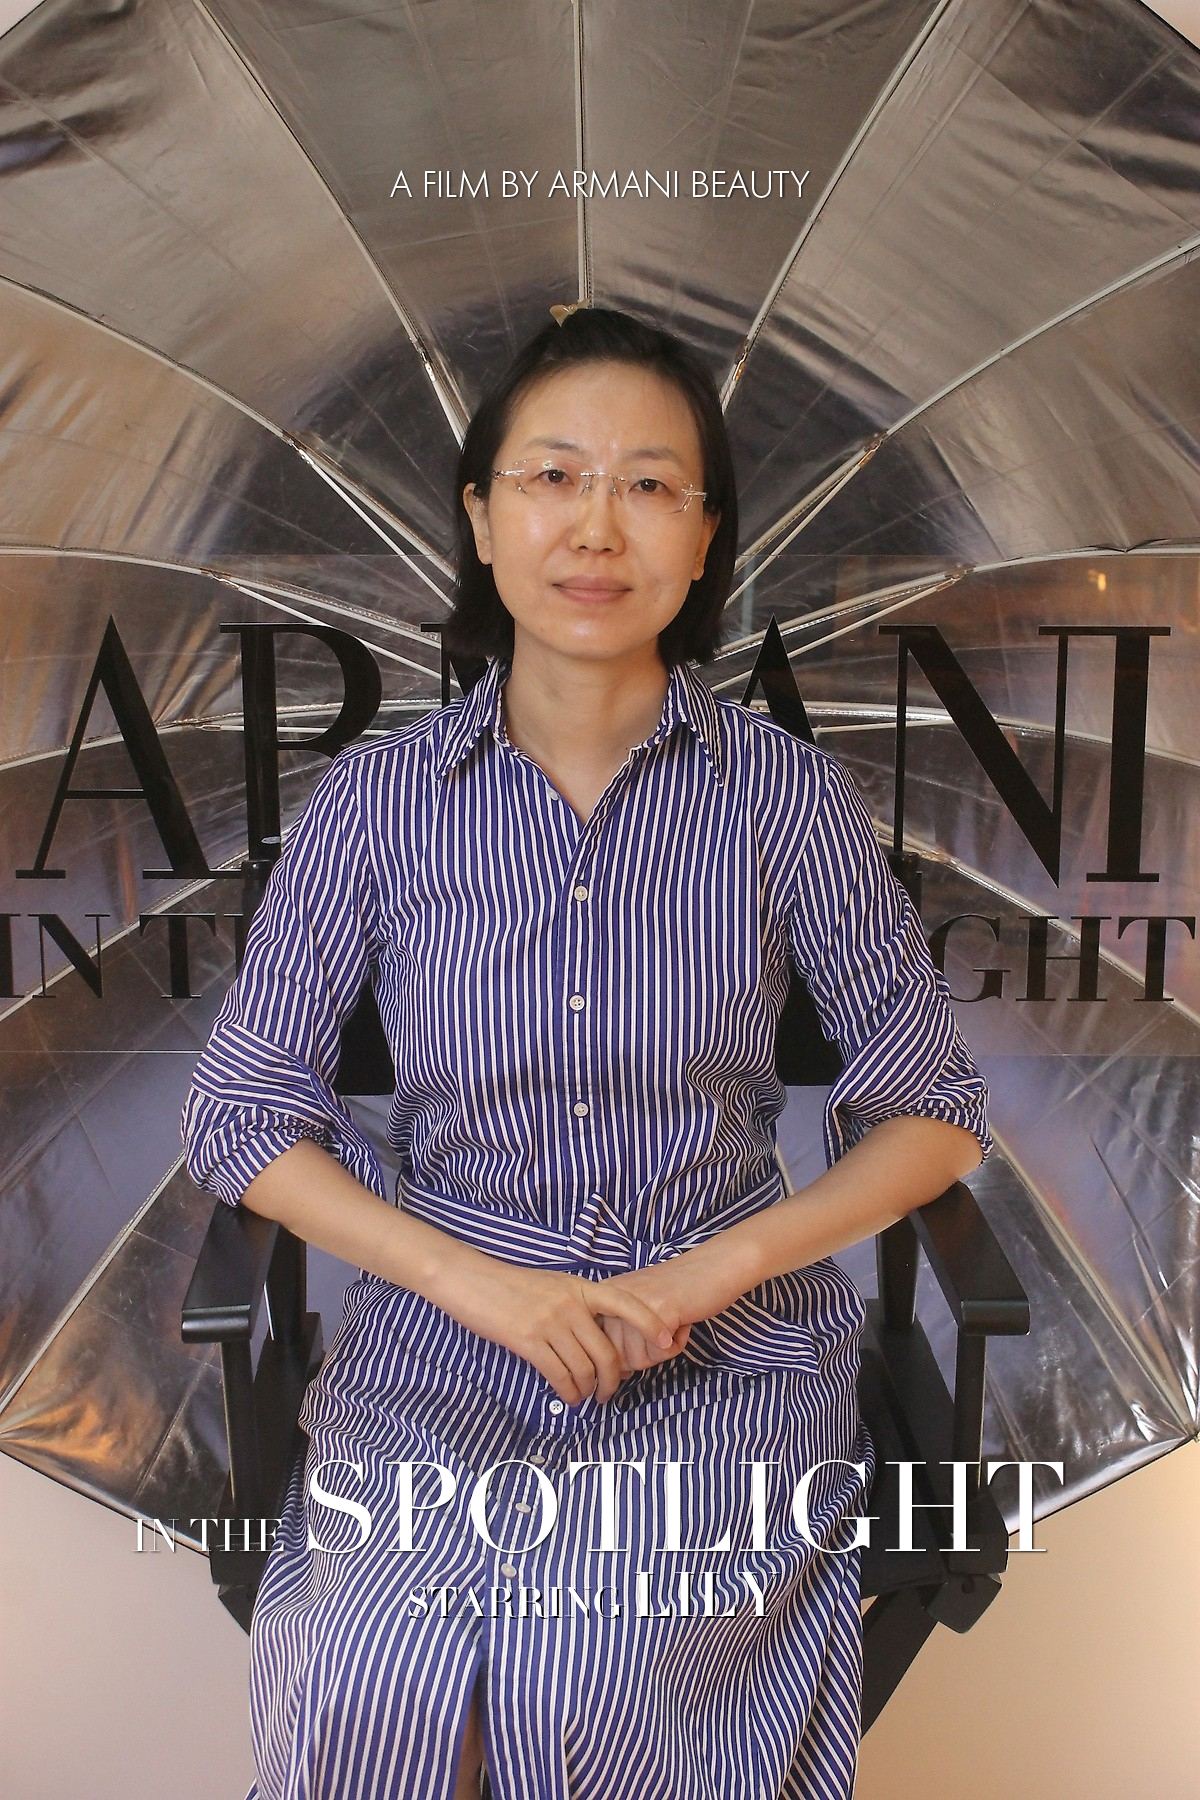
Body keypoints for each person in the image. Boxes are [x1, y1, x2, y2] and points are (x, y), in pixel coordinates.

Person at [183, 304, 991, 1800]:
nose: (596, 526)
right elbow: (240, 1111)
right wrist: (477, 1286)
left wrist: (709, 1275)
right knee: (374, 1665)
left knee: (600, 1659)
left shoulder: (783, 799)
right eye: (553, 476)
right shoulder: (378, 802)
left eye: (649, 485)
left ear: (704, 536)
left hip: (719, 1350)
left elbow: (930, 1111)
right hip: (441, 1342)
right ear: (482, 517)